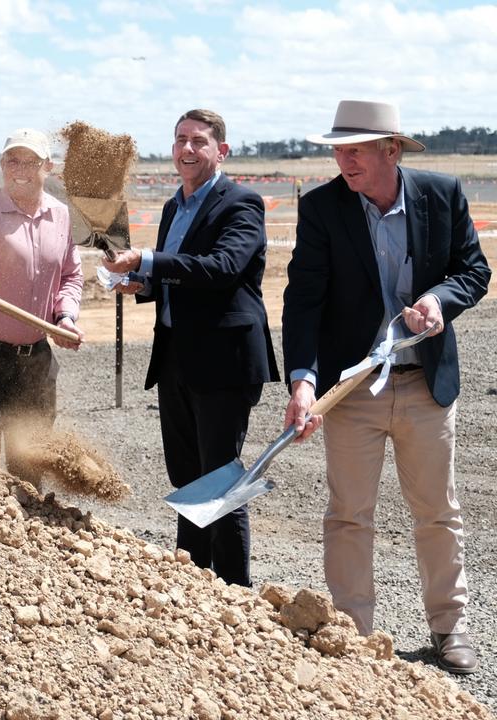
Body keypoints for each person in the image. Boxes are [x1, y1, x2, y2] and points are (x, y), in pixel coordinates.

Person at [282, 100, 490, 674]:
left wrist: (439, 301)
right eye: (338, 149)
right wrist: (302, 380)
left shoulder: (441, 195)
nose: (343, 160)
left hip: (425, 383)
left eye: (355, 149)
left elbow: (474, 271)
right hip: (351, 390)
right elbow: (303, 299)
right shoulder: (323, 208)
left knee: (438, 512)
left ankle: (450, 628)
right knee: (349, 514)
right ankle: (352, 634)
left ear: (391, 150)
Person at [102, 109, 278, 587]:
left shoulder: (242, 203)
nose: (187, 149)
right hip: (177, 358)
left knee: (220, 482)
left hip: (224, 363)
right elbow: (175, 279)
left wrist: (149, 260)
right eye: (180, 139)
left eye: (199, 141)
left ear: (221, 150)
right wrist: (139, 283)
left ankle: (236, 596)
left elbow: (221, 268)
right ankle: (194, 584)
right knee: (187, 477)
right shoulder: (172, 208)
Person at [0, 129, 84, 481]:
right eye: (13, 159)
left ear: (48, 167)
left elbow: (71, 275)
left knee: (29, 468)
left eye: (31, 161)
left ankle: (24, 532)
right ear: (2, 165)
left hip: (36, 361)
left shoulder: (61, 216)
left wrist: (66, 317)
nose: (20, 168)